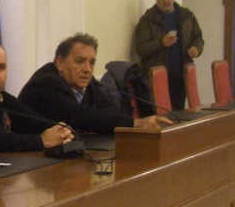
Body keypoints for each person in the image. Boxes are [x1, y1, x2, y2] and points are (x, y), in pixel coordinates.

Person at [18, 33, 172, 133]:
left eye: (91, 63)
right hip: (28, 158)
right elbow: (80, 117)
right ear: (59, 62)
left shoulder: (88, 82)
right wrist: (136, 123)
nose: (87, 69)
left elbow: (111, 112)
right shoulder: (46, 83)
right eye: (80, 61)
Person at [133, 0, 204, 110]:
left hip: (181, 77)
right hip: (156, 80)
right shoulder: (148, 20)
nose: (166, 1)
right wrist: (161, 43)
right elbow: (140, 49)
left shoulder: (187, 16)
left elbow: (198, 38)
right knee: (161, 115)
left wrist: (197, 48)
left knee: (179, 115)